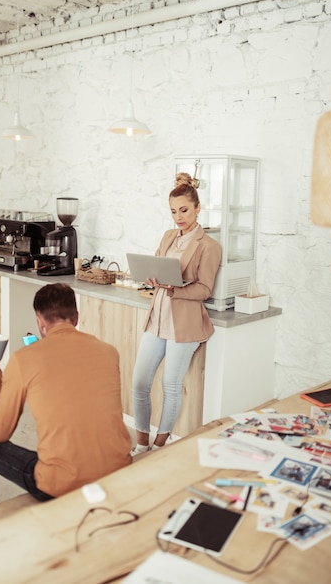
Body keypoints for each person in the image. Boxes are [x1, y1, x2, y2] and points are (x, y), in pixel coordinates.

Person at [0, 282, 132, 512]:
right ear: (77, 318)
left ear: (40, 323)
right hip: (118, 470)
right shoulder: (108, 352)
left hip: (62, 484)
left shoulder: (25, 359)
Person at [131, 172, 222, 455]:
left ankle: (160, 446)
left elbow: (205, 289)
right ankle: (141, 444)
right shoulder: (168, 236)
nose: (178, 217)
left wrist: (173, 289)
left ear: (197, 208)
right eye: (173, 211)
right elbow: (158, 267)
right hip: (157, 319)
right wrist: (152, 279)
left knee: (171, 385)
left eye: (183, 210)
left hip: (183, 325)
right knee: (139, 383)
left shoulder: (210, 246)